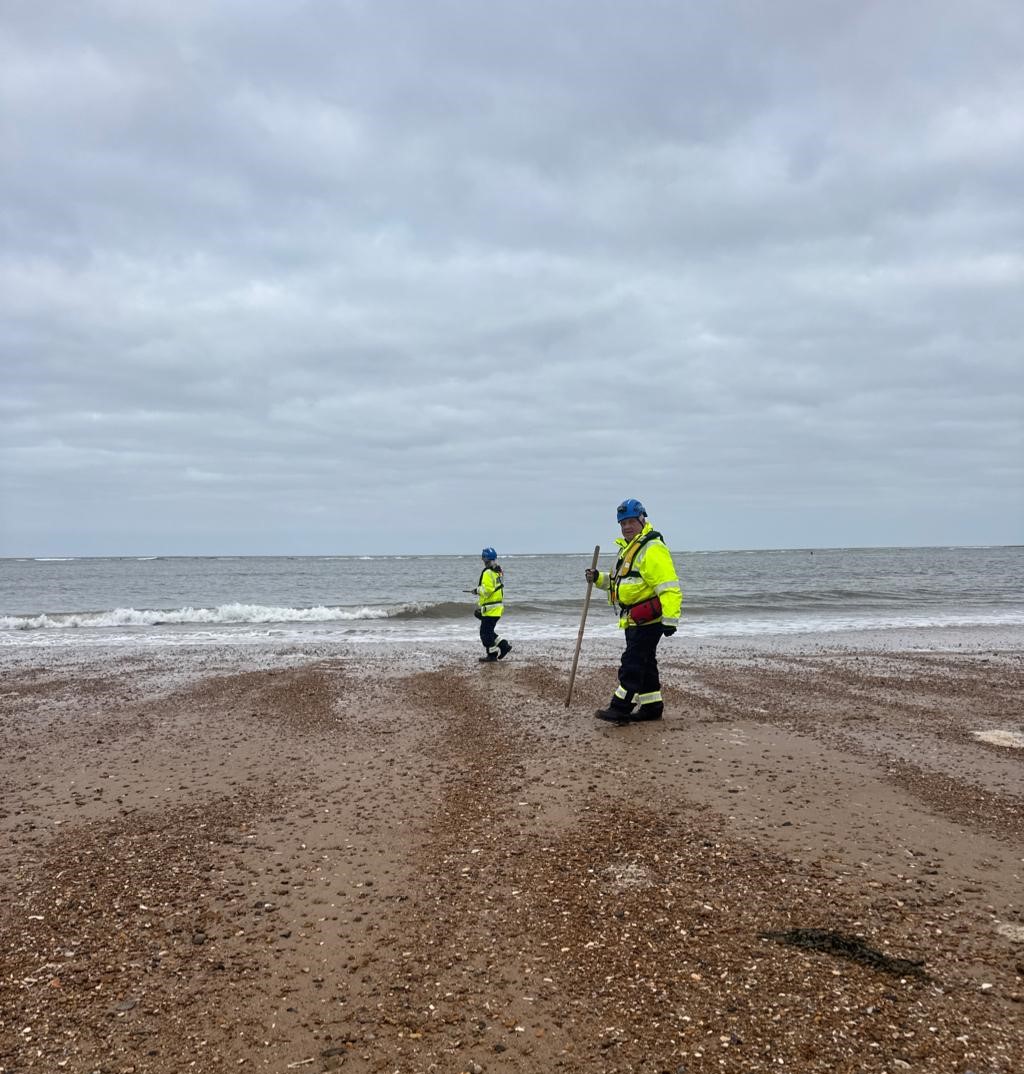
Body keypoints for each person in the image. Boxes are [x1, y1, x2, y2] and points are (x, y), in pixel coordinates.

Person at [585, 499, 681, 723]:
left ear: (642, 519)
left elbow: (669, 586)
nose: (626, 527)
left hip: (648, 619)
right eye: (622, 523)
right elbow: (619, 583)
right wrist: (597, 578)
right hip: (633, 618)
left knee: (633, 663)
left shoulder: (652, 548)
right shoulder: (628, 549)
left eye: (630, 521)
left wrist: (670, 619)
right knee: (645, 662)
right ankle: (651, 707)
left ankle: (620, 708)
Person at [472, 547, 512, 663]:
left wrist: (477, 590)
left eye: (483, 557)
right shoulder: (498, 571)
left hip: (491, 608)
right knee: (488, 631)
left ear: (485, 559)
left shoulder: (488, 572)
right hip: (497, 607)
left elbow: (487, 590)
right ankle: (504, 646)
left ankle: (492, 655)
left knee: (484, 633)